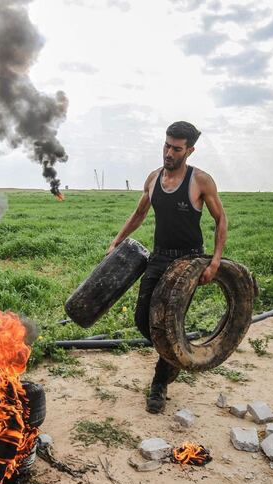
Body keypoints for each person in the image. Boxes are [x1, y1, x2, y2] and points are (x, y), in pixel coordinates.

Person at [106, 121, 227, 414]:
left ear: (190, 150)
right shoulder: (153, 178)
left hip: (189, 261)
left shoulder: (201, 181)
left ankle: (159, 384)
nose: (169, 153)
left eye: (176, 148)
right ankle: (177, 353)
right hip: (159, 257)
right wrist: (117, 241)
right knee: (141, 319)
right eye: (166, 145)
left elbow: (221, 219)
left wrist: (215, 261)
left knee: (171, 321)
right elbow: (139, 213)